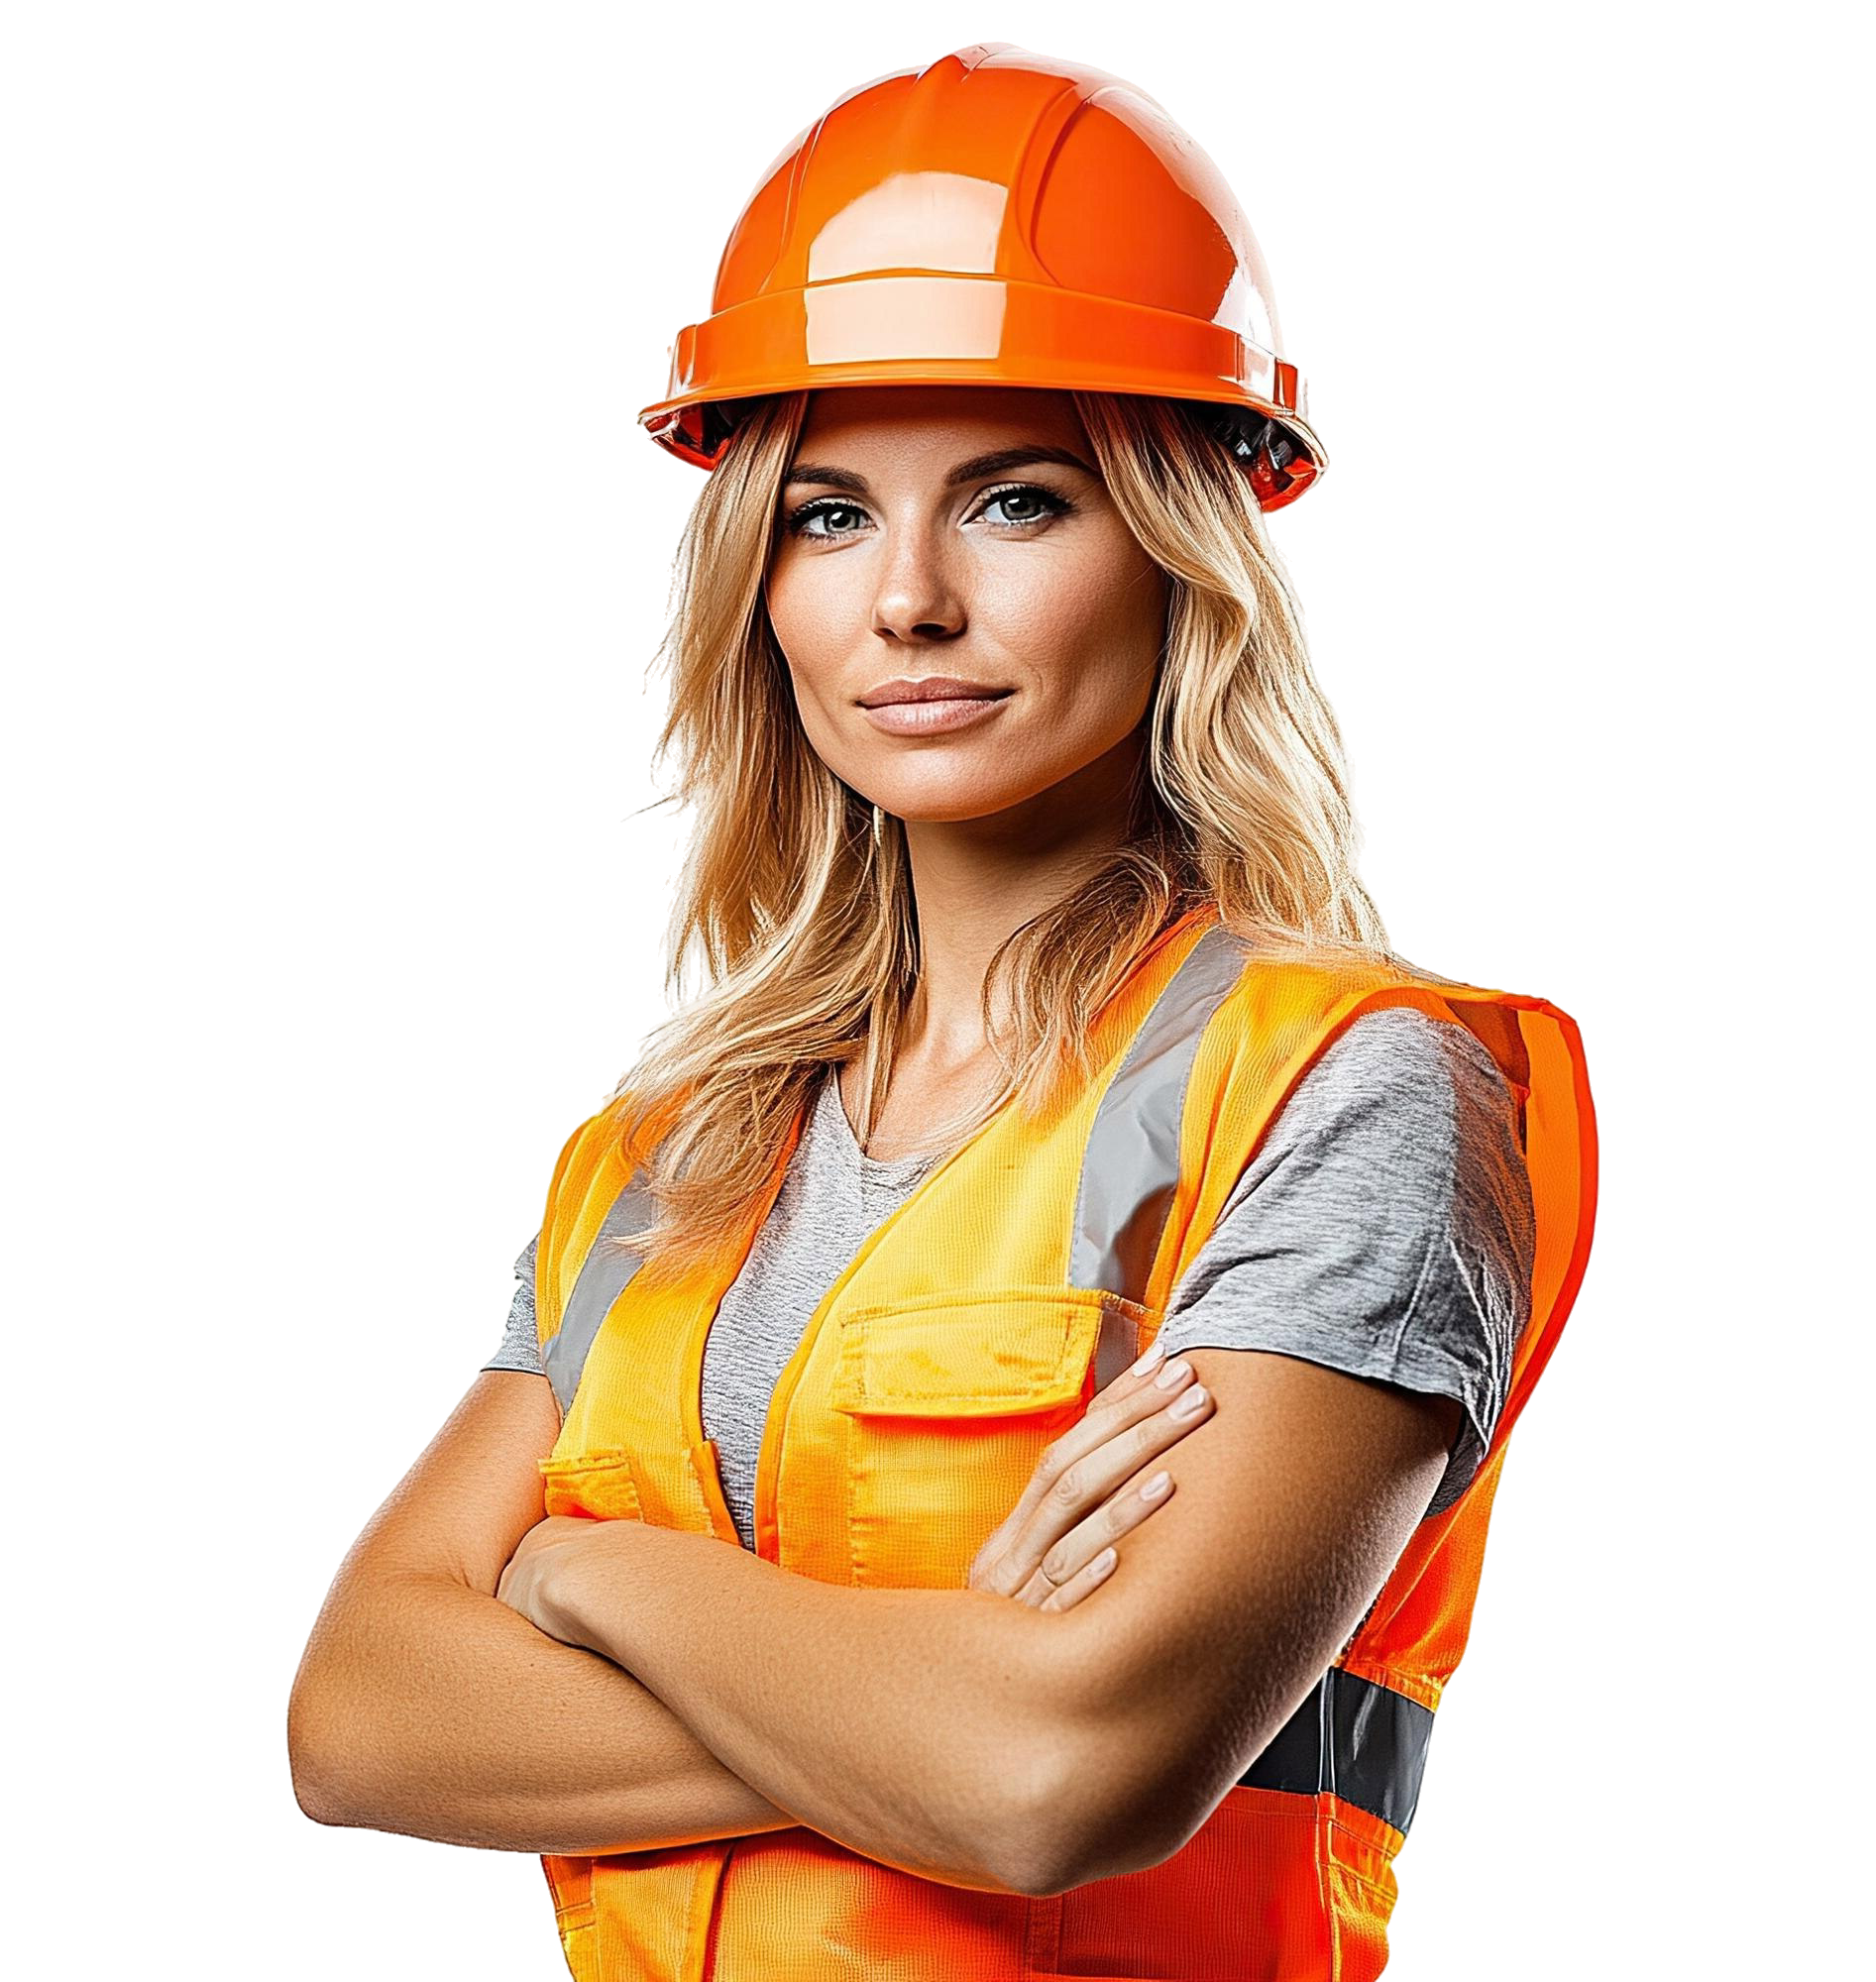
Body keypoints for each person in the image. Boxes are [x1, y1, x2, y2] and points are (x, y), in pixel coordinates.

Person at [280, 36, 1603, 1982]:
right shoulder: (661, 1157)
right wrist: (917, 1686)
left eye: (1015, 502)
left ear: (1184, 553)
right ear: (754, 580)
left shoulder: (1352, 1090)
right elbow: (353, 1719)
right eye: (825, 514)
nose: (903, 600)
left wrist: (580, 1570)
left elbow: (1054, 1770)